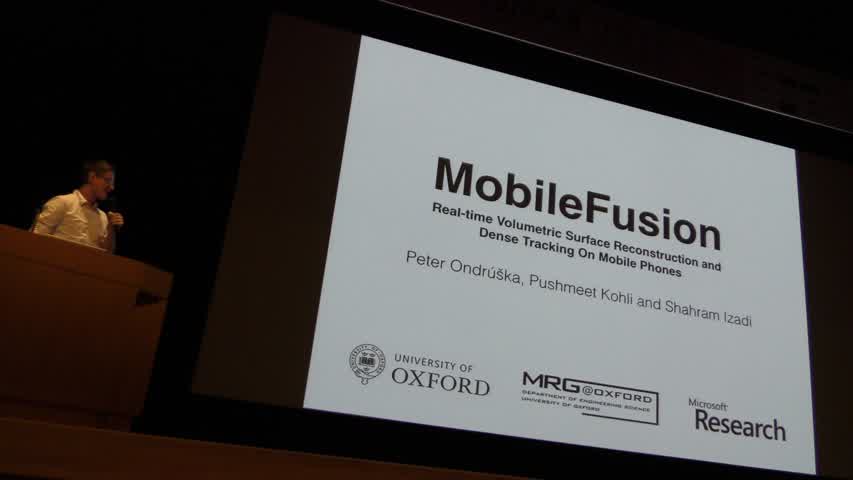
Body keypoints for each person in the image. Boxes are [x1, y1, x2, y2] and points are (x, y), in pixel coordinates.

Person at [33, 160, 125, 253]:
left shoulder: (103, 217)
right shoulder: (63, 202)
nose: (112, 187)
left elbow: (107, 255)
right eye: (107, 180)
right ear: (92, 177)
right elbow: (35, 238)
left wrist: (111, 228)